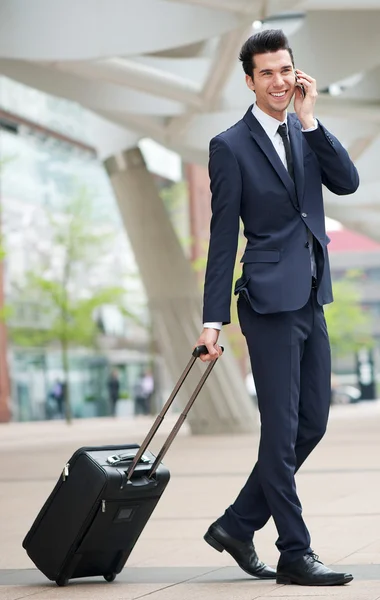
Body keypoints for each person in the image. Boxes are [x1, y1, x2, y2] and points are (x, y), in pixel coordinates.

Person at [195, 29, 359, 587]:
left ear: (298, 74)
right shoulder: (230, 145)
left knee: (312, 421)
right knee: (280, 429)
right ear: (249, 80)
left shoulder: (304, 129)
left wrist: (312, 121)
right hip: (266, 302)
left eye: (286, 70)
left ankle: (237, 524)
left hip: (312, 296)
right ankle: (295, 550)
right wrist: (211, 321)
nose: (279, 81)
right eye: (267, 73)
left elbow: (348, 181)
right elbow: (221, 240)